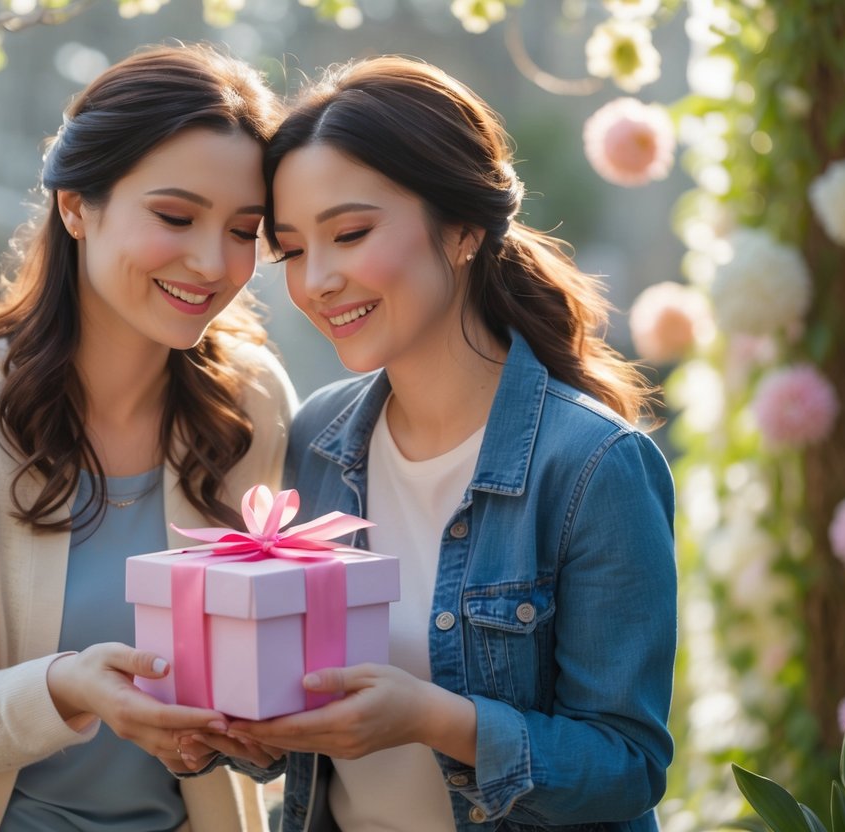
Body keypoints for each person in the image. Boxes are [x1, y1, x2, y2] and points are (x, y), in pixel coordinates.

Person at [190, 56, 677, 831]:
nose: (316, 281)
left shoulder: (591, 466)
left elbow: (626, 766)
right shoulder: (318, 434)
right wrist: (217, 726)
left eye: (349, 233)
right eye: (289, 250)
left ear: (462, 231)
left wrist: (432, 718)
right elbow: (309, 724)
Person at [0, 44, 296, 832]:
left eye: (244, 230)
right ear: (75, 206)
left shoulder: (251, 402)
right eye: (174, 216)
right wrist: (71, 685)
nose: (212, 262)